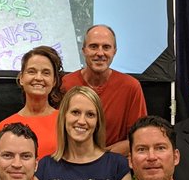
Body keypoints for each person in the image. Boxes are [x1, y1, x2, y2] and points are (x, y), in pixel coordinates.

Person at [60, 25, 148, 155]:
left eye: (106, 47)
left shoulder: (131, 87)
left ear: (114, 51)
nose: (100, 53)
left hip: (114, 167)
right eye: (93, 46)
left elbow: (139, 137)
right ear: (84, 50)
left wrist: (100, 158)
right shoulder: (66, 84)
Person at [0, 45, 65, 158]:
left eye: (46, 73)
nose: (38, 78)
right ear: (21, 78)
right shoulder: (4, 126)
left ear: (54, 81)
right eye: (32, 71)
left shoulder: (66, 121)